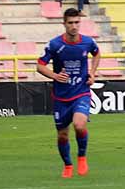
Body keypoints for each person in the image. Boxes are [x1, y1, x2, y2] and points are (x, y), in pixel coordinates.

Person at [36, 9, 99, 179]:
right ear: (64, 24)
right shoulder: (55, 45)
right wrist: (55, 76)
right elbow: (40, 65)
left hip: (81, 92)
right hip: (61, 97)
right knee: (63, 134)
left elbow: (97, 53)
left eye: (77, 22)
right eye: (70, 23)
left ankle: (82, 157)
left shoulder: (87, 42)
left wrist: (92, 73)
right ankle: (68, 165)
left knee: (79, 125)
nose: (74, 26)